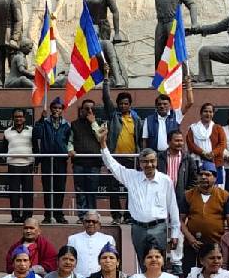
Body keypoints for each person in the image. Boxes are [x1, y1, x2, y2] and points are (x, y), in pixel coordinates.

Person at [98, 138, 180, 269]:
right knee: (143, 265)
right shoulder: (132, 177)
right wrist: (103, 144)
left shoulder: (165, 181)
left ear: (156, 161)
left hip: (158, 229)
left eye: (152, 161)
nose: (149, 164)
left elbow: (173, 207)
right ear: (140, 164)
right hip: (138, 229)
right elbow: (112, 165)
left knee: (158, 265)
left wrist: (175, 233)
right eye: (145, 162)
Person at [100, 83, 141, 223]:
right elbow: (106, 98)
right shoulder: (113, 116)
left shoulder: (137, 120)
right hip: (115, 159)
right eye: (121, 104)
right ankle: (116, 216)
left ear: (130, 105)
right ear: (117, 105)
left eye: (126, 104)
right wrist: (106, 78)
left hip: (131, 159)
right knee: (114, 188)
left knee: (132, 189)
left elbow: (140, 140)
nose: (123, 106)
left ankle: (129, 216)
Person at [181, 162, 229, 269]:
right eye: (201, 174)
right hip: (192, 244)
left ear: (215, 178)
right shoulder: (188, 195)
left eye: (208, 174)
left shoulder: (224, 195)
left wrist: (225, 239)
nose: (203, 177)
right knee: (190, 275)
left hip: (215, 245)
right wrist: (190, 238)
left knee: (213, 276)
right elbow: (180, 220)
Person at [34, 98, 71, 224]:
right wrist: (40, 119)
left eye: (60, 108)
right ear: (51, 109)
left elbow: (69, 141)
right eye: (55, 108)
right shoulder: (44, 123)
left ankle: (58, 214)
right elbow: (36, 134)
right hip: (46, 159)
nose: (57, 110)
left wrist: (67, 151)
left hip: (60, 160)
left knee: (60, 187)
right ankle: (48, 214)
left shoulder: (67, 125)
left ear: (62, 110)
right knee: (48, 187)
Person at [67, 100, 104, 220]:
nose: (89, 111)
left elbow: (100, 138)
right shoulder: (74, 124)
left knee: (92, 190)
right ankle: (82, 216)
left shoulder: (100, 123)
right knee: (80, 190)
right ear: (81, 110)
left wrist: (93, 123)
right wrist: (71, 149)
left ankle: (92, 215)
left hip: (94, 163)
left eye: (91, 108)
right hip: (79, 163)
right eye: (86, 108)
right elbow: (70, 141)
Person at [4, 108, 35, 223]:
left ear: (24, 118)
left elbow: (36, 146)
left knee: (28, 193)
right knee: (14, 193)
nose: (18, 118)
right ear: (13, 118)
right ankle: (15, 217)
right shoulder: (7, 132)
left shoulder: (32, 130)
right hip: (13, 165)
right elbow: (3, 149)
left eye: (21, 116)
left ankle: (27, 217)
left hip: (27, 165)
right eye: (16, 117)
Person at [185, 104, 227, 187]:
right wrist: (203, 153)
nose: (208, 114)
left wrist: (212, 154)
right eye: (205, 111)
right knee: (199, 186)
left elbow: (222, 144)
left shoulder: (218, 128)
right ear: (201, 113)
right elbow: (190, 144)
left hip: (216, 162)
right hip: (198, 163)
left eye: (210, 112)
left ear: (213, 114)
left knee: (216, 189)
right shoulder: (193, 128)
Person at [66, 211, 116, 278]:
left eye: (94, 221)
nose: (91, 223)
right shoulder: (73, 239)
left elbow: (112, 261)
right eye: (88, 221)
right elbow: (69, 259)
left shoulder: (108, 239)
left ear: (99, 224)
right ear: (83, 223)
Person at [141, 94, 181, 161]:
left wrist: (188, 85)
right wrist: (144, 156)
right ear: (156, 106)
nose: (162, 106)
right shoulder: (148, 120)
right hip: (155, 156)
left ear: (170, 105)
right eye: (159, 104)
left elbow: (189, 103)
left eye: (165, 104)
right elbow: (145, 140)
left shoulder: (176, 116)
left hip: (172, 155)